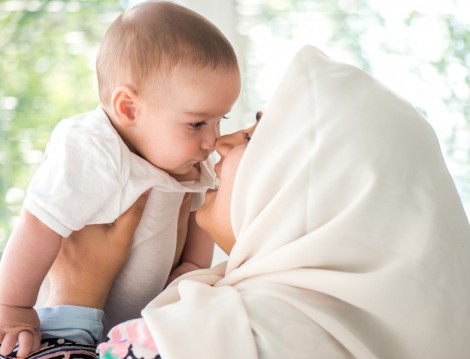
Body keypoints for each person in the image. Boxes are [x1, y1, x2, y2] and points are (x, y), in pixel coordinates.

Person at [4, 44, 470, 358]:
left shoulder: (222, 337)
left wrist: (75, 295)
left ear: (301, 181)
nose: (220, 142)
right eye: (199, 124)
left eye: (253, 134)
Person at [0, 1, 241, 357]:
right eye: (197, 123)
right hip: (56, 320)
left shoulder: (192, 160)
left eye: (220, 120)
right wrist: (13, 307)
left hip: (130, 333)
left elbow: (196, 236)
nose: (212, 140)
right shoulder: (92, 147)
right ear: (128, 108)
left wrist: (187, 278)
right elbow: (38, 222)